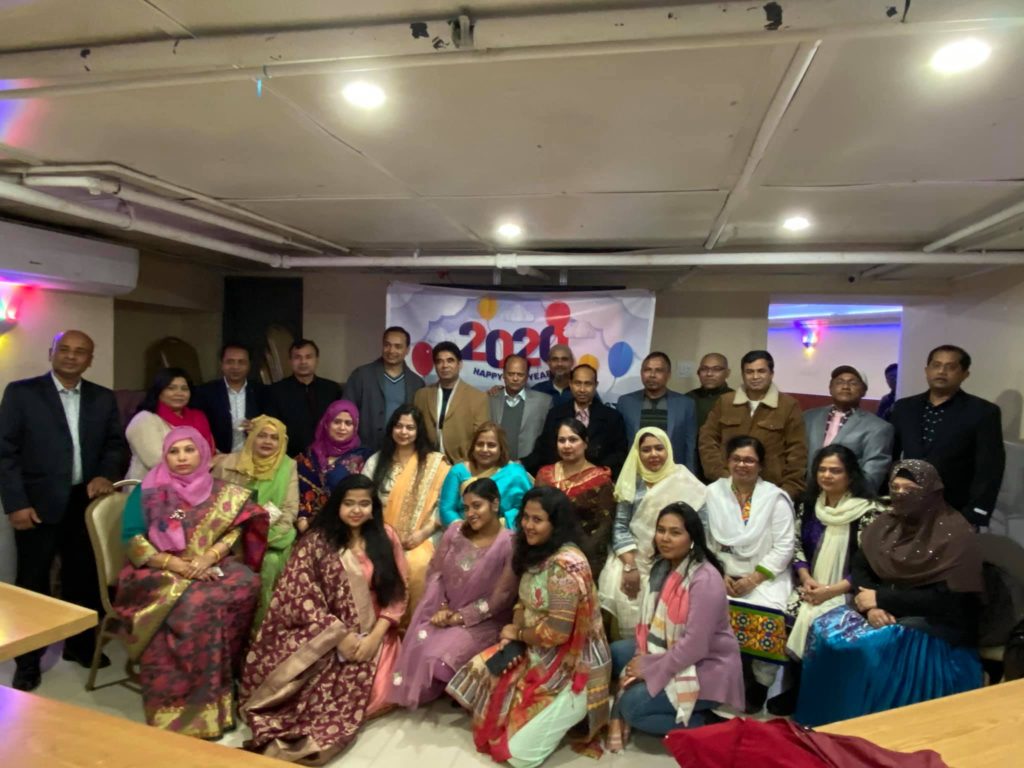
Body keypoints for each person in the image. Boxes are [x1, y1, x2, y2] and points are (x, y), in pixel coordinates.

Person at [794, 460, 984, 727]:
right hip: (881, 606)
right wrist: (872, 606)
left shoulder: (955, 534)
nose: (900, 494)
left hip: (935, 622)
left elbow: (949, 601)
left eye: (910, 489)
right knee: (824, 629)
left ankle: (867, 726)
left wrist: (882, 599)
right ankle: (825, 722)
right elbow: (861, 568)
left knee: (869, 646)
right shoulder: (886, 523)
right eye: (895, 487)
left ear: (931, 492)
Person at [240, 474, 408, 763]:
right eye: (349, 503)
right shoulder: (317, 542)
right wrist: (339, 635)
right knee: (308, 690)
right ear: (337, 505)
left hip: (376, 629)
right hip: (325, 629)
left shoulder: (386, 537)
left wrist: (375, 637)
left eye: (364, 504)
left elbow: (398, 593)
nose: (356, 510)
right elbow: (300, 595)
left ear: (373, 507)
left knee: (379, 690)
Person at [114, 427, 267, 737]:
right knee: (198, 603)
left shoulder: (219, 489)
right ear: (165, 456)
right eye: (174, 451)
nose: (182, 457)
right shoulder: (147, 491)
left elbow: (235, 529)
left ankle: (227, 680)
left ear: (202, 453)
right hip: (157, 569)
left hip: (205, 563)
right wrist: (177, 565)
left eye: (189, 450)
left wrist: (208, 557)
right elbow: (132, 539)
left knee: (247, 584)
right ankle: (191, 702)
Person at [447, 486, 611, 768]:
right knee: (479, 673)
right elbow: (523, 600)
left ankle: (576, 709)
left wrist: (518, 634)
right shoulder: (535, 551)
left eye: (538, 520)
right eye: (526, 517)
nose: (528, 525)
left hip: (574, 664)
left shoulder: (564, 567)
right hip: (537, 648)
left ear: (555, 524)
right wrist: (516, 629)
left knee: (520, 756)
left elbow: (558, 633)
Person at [0, 330, 126, 692]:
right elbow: (5, 452)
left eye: (80, 352)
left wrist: (105, 474)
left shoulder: (102, 397)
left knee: (83, 577)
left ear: (90, 359)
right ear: (51, 352)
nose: (71, 356)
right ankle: (28, 661)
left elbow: (115, 445)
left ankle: (80, 647)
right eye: (64, 350)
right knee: (33, 584)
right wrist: (16, 503)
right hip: (36, 505)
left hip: (84, 503)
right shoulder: (22, 393)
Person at [606, 504, 744, 750]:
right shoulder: (662, 567)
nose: (665, 538)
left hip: (706, 667)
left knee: (632, 707)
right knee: (615, 653)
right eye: (661, 530)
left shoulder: (705, 579)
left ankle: (708, 723)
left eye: (675, 532)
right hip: (671, 650)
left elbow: (695, 647)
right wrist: (642, 657)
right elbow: (651, 625)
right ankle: (658, 699)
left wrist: (648, 666)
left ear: (692, 538)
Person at [766, 445, 881, 716]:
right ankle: (795, 689)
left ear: (850, 475)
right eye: (822, 469)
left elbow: (870, 563)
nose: (827, 476)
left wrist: (831, 591)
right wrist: (806, 577)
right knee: (786, 612)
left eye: (835, 471)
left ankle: (823, 693)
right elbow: (795, 545)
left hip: (850, 591)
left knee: (823, 624)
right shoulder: (809, 505)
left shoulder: (869, 512)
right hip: (810, 585)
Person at [389, 478, 518, 709]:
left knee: (438, 662)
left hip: (484, 621)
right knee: (419, 649)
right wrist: (442, 608)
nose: (470, 513)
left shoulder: (509, 543)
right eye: (466, 508)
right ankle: (448, 685)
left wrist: (459, 617)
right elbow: (436, 574)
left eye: (477, 506)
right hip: (444, 611)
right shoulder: (455, 532)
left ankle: (460, 684)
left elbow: (502, 598)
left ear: (495, 504)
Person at [703, 436, 796, 714]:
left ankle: (760, 683)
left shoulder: (775, 498)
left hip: (765, 574)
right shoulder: (711, 493)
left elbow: (784, 546)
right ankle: (722, 677)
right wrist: (720, 574)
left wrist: (753, 579)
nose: (742, 465)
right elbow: (704, 541)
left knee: (768, 610)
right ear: (727, 462)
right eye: (737, 459)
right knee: (706, 606)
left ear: (761, 465)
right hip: (721, 572)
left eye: (749, 460)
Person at [598, 427, 707, 639]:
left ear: (668, 450)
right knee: (615, 580)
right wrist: (630, 566)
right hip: (633, 554)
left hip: (676, 558)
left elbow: (701, 528)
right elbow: (620, 526)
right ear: (637, 453)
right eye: (646, 450)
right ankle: (628, 648)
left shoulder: (685, 481)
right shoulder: (630, 482)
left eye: (659, 448)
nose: (653, 454)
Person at [889, 345, 1004, 527]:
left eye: (951, 367)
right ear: (927, 370)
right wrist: (886, 497)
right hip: (906, 504)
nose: (942, 371)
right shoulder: (904, 407)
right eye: (936, 365)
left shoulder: (983, 412)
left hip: (955, 508)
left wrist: (974, 513)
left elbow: (989, 467)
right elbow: (891, 454)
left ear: (965, 374)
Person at [210, 414, 298, 629]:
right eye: (262, 435)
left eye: (274, 438)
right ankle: (230, 630)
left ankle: (260, 630)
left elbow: (289, 510)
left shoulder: (288, 466)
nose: (268, 442)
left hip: (271, 538)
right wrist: (237, 541)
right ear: (251, 436)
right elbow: (213, 507)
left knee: (270, 563)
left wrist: (259, 540)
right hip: (229, 537)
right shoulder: (228, 464)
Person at [363, 404, 450, 616]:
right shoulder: (376, 461)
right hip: (381, 532)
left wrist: (422, 533)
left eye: (410, 427)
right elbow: (363, 498)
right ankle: (382, 621)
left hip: (422, 534)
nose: (403, 432)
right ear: (391, 429)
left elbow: (443, 504)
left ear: (418, 431)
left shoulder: (434, 463)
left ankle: (413, 624)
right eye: (399, 426)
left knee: (417, 564)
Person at [699, 350, 807, 499]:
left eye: (761, 371)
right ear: (743, 374)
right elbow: (707, 440)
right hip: (726, 488)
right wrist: (721, 476)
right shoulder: (725, 402)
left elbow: (797, 452)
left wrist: (787, 491)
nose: (755, 377)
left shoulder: (788, 405)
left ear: (771, 373)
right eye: (749, 372)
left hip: (771, 491)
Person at [535, 419, 615, 581]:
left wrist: (581, 556)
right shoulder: (544, 475)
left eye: (573, 440)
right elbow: (534, 513)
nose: (567, 445)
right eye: (562, 440)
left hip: (583, 556)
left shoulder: (600, 480)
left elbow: (605, 526)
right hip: (543, 552)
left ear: (585, 443)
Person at [525, 364, 628, 479]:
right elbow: (543, 449)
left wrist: (595, 471)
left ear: (596, 385)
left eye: (588, 384)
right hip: (561, 479)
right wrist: (520, 464)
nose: (582, 389)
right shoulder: (555, 414)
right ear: (570, 384)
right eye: (577, 383)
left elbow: (620, 453)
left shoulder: (612, 417)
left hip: (597, 480)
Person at [802, 366, 894, 492]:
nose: (845, 386)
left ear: (864, 391)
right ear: (830, 388)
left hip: (848, 498)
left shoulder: (878, 427)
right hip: (806, 495)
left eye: (853, 383)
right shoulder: (808, 417)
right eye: (839, 382)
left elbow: (873, 474)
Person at [344, 326, 425, 453]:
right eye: (387, 345)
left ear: (407, 350)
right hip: (363, 450)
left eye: (398, 346)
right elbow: (345, 412)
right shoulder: (362, 375)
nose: (391, 350)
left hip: (402, 451)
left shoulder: (416, 383)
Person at [439, 422, 534, 529]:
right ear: (473, 446)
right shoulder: (458, 471)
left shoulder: (515, 474)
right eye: (480, 444)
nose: (484, 449)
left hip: (503, 533)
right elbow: (446, 509)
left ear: (501, 448)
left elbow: (528, 509)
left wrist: (497, 526)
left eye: (491, 445)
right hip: (463, 531)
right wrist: (464, 529)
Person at [125, 367, 215, 480]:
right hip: (152, 486)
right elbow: (156, 461)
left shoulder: (198, 417)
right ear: (159, 391)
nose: (179, 393)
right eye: (171, 388)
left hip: (198, 482)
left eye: (184, 389)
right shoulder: (144, 420)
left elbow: (209, 451)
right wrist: (206, 465)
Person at [295, 400, 371, 532]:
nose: (342, 428)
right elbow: (297, 492)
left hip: (346, 528)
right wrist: (302, 519)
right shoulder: (310, 454)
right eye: (337, 422)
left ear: (355, 426)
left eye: (348, 423)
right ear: (326, 423)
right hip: (307, 527)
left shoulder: (363, 457)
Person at [617, 352, 698, 474]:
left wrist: (689, 477)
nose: (652, 375)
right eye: (647, 370)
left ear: (668, 374)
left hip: (672, 473)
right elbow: (618, 443)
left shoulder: (685, 404)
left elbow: (690, 446)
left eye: (658, 370)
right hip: (635, 472)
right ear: (641, 373)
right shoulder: (626, 402)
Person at [262, 339, 344, 458]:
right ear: (290, 361)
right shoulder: (275, 391)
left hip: (327, 457)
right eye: (297, 357)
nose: (303, 362)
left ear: (317, 360)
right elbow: (271, 427)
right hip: (287, 458)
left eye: (308, 357)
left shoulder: (332, 389)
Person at [413, 341, 489, 465]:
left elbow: (481, 437)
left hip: (463, 465)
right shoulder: (421, 395)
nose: (445, 365)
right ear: (435, 365)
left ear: (460, 364)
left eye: (450, 360)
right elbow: (416, 432)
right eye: (439, 361)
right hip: (427, 464)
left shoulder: (478, 397)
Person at [193, 342, 262, 454]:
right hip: (218, 456)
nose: (235, 367)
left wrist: (258, 427)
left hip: (254, 456)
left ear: (249, 365)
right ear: (221, 364)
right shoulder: (205, 392)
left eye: (241, 362)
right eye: (230, 362)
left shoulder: (261, 392)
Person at [490, 354, 552, 461]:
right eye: (510, 374)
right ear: (503, 374)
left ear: (527, 376)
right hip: (494, 464)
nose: (515, 378)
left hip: (529, 466)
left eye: (520, 374)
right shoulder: (489, 399)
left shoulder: (544, 402)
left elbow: (548, 438)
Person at [686, 353, 733, 482]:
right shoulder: (687, 399)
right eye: (704, 369)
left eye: (717, 369)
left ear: (727, 373)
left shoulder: (735, 399)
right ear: (698, 373)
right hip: (692, 464)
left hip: (725, 465)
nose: (709, 374)